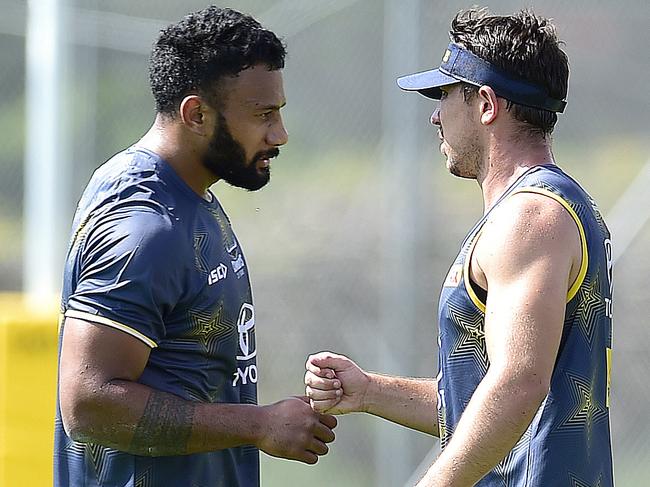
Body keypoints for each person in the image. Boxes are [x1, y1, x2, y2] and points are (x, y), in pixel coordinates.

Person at [305, 7, 613, 487]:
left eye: (445, 95)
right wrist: (368, 392)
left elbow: (518, 384)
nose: (434, 114)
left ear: (486, 104)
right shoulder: (544, 209)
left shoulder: (529, 217)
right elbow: (488, 401)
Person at [54, 6, 336, 487]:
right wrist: (259, 425)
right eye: (263, 115)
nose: (279, 134)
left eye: (280, 112)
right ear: (197, 114)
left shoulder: (187, 194)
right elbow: (88, 401)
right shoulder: (146, 226)